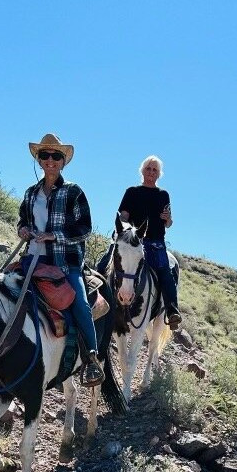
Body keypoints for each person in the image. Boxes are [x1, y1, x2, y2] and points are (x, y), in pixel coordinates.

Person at [17, 133, 103, 386]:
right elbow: (23, 219)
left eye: (56, 156)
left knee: (80, 304)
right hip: (31, 259)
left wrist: (52, 236)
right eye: (45, 155)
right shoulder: (31, 192)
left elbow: (85, 228)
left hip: (65, 264)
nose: (50, 160)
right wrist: (22, 229)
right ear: (39, 160)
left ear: (63, 161)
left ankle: (91, 359)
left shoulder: (73, 192)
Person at [117, 155, 181, 329]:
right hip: (132, 241)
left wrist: (168, 219)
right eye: (148, 168)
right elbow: (123, 216)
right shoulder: (132, 192)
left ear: (159, 174)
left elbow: (168, 224)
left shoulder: (163, 195)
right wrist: (125, 231)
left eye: (155, 170)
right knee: (106, 262)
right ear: (142, 171)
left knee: (165, 272)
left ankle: (172, 311)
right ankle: (100, 299)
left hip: (155, 243)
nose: (151, 172)